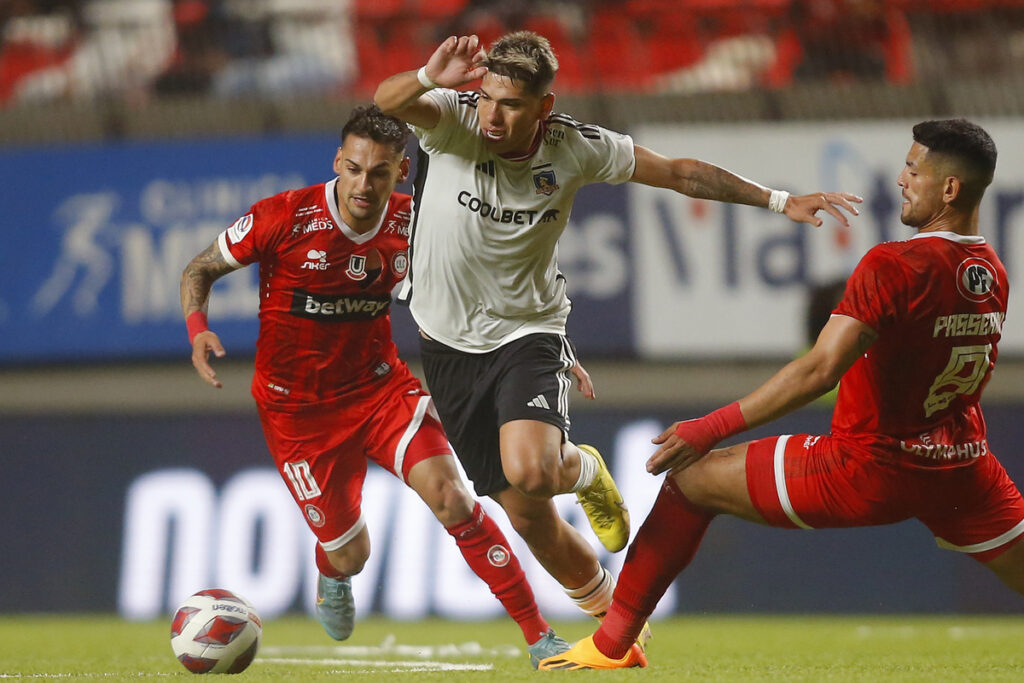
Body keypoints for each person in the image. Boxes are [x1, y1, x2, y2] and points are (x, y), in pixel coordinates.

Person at [373, 30, 862, 634]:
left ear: (543, 108)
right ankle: (611, 613)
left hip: (527, 331)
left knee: (530, 471)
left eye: (512, 104)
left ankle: (576, 470)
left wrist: (777, 199)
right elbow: (389, 102)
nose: (494, 116)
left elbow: (680, 173)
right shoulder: (453, 117)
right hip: (445, 342)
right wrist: (428, 76)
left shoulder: (575, 147)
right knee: (528, 517)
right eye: (489, 97)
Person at [538, 119, 1024, 670]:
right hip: (962, 468)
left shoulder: (893, 264)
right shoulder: (991, 270)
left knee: (692, 481)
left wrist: (709, 427)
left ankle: (611, 646)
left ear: (950, 189)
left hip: (869, 467)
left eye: (914, 170)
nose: (901, 179)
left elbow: (818, 370)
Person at [179, 105, 571, 669]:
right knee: (352, 554)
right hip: (298, 414)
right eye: (355, 169)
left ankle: (540, 640)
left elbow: (501, 282)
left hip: (381, 392)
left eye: (380, 173)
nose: (365, 184)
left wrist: (553, 349)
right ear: (338, 162)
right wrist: (198, 330)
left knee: (454, 498)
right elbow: (199, 268)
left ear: (402, 173)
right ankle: (332, 567)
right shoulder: (283, 217)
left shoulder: (418, 224)